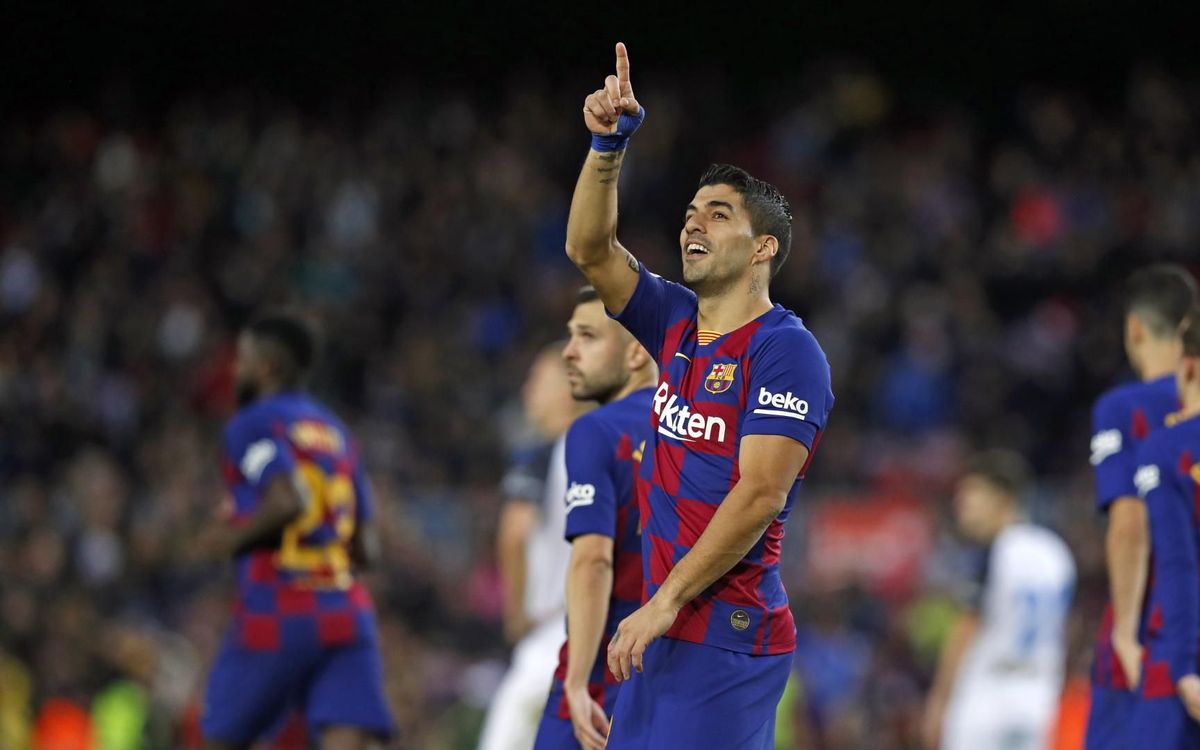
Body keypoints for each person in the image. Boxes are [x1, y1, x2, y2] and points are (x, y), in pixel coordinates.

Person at [564, 43, 835, 747]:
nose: (693, 223)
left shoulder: (786, 351)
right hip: (663, 628)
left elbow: (760, 493)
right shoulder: (674, 321)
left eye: (717, 214)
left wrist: (664, 602)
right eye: (691, 212)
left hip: (726, 638)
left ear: (762, 248)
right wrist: (606, 149)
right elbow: (591, 250)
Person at [197, 312, 393, 750]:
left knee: (219, 741)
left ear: (268, 367)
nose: (236, 369)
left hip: (278, 608)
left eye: (243, 359)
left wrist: (228, 540)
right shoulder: (336, 432)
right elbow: (367, 549)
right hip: (346, 613)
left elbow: (288, 500)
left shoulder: (252, 423)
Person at [532, 287, 658, 750]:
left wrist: (578, 682)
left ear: (637, 352)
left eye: (587, 336)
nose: (569, 351)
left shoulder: (596, 431)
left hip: (610, 663)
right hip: (684, 666)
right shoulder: (702, 429)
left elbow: (593, 561)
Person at [1086, 264, 1199, 749]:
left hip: (1159, 629)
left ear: (1135, 328)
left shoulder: (1123, 408)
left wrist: (1125, 633)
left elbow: (1131, 521)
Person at [922, 451, 1076, 750]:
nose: (961, 505)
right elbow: (1065, 627)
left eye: (972, 494)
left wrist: (939, 699)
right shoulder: (1056, 551)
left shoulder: (994, 549)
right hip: (1038, 693)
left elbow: (967, 625)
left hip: (986, 692)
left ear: (1002, 497)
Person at [479, 344, 590, 750]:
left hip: (550, 634)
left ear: (568, 388)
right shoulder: (611, 449)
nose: (528, 392)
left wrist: (515, 613)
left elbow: (515, 531)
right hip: (599, 629)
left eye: (537, 381)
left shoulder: (541, 454)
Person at [1130, 312, 1200, 748]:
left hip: (1183, 654)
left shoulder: (1168, 447)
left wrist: (1184, 666)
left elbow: (1178, 561)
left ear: (1187, 366)